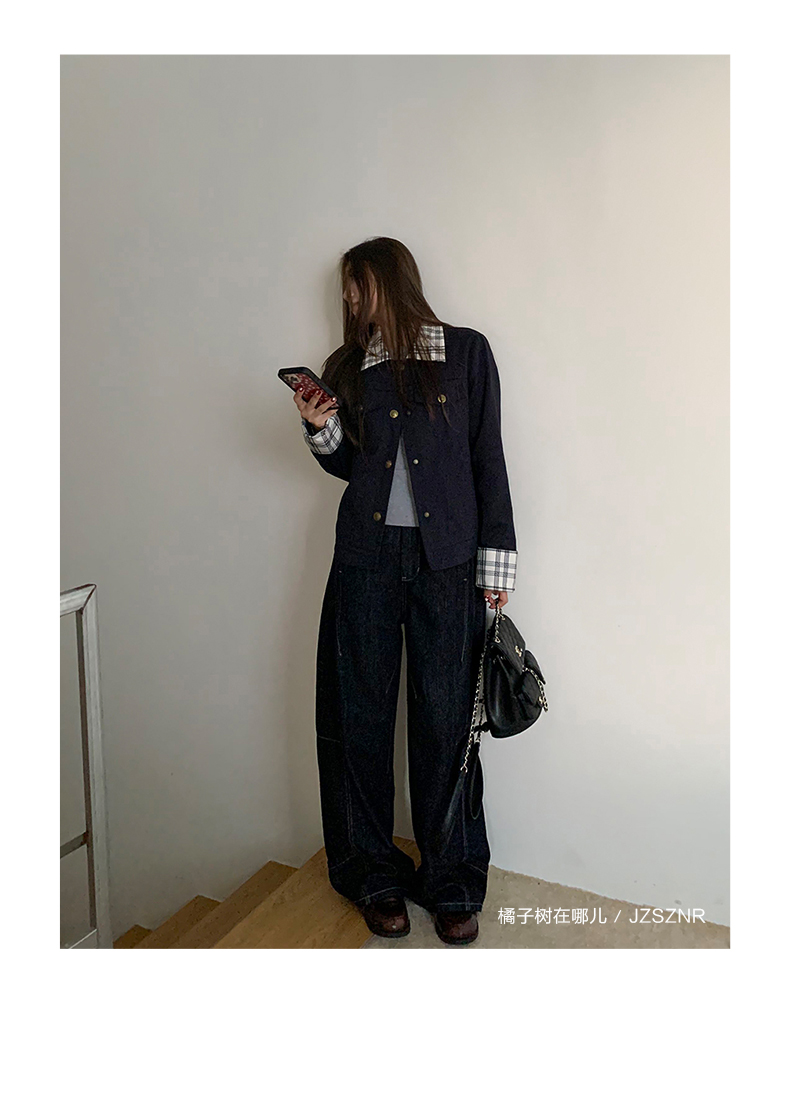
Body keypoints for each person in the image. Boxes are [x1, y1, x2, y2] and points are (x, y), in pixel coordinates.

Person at [292, 237, 517, 946]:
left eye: (357, 285)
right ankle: (374, 876)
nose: (350, 299)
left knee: (446, 723)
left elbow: (486, 457)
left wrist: (496, 567)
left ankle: (452, 881)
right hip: (365, 558)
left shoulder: (466, 353)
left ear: (387, 280)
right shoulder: (349, 365)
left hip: (447, 562)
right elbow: (352, 468)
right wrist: (321, 429)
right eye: (346, 289)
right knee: (357, 716)